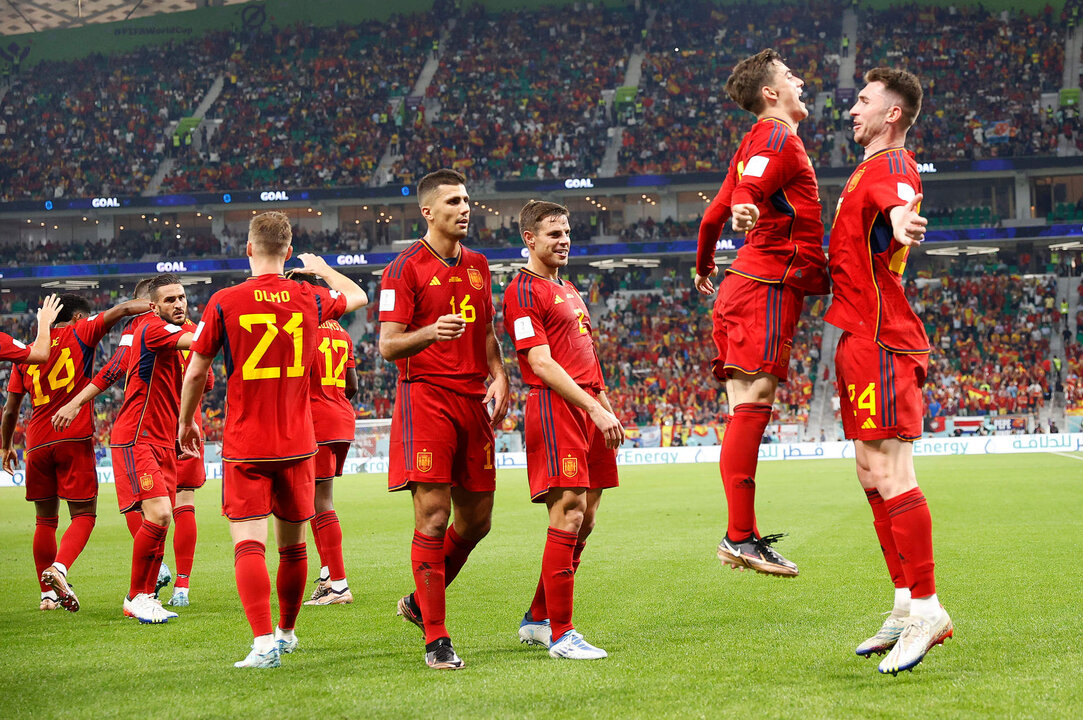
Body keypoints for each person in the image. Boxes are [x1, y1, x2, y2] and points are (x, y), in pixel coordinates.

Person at [177, 211, 367, 669]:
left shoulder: (224, 300)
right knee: (293, 547)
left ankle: (263, 644)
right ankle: (286, 631)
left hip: (247, 442)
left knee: (249, 545)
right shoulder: (308, 296)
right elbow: (358, 295)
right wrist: (320, 269)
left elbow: (198, 369)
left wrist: (186, 422)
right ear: (288, 249)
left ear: (247, 248)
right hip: (301, 442)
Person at [826, 67, 951, 675]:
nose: (853, 108)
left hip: (882, 337)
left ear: (892, 114)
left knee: (892, 470)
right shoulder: (863, 169)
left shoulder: (893, 166)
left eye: (864, 100)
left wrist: (904, 220)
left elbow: (900, 202)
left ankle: (928, 607)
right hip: (859, 335)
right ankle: (904, 604)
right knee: (869, 473)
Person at [694, 49, 829, 577]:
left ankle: (740, 534)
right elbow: (742, 196)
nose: (800, 81)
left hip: (740, 284)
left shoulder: (752, 142)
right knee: (757, 400)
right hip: (766, 283)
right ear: (771, 93)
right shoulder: (775, 136)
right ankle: (740, 536)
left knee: (741, 409)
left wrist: (703, 265)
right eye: (791, 75)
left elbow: (711, 215)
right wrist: (747, 206)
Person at [378, 169, 509, 670]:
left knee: (477, 522)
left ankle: (416, 601)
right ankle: (437, 638)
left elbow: (487, 331)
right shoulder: (403, 269)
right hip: (425, 400)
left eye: (468, 199)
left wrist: (499, 375)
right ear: (428, 212)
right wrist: (431, 331)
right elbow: (388, 345)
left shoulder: (478, 264)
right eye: (454, 201)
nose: (465, 207)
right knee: (433, 518)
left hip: (472, 402)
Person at [502, 200, 623, 660]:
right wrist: (593, 408)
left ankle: (537, 618)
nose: (564, 240)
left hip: (590, 407)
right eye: (554, 233)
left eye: (567, 232)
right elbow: (539, 361)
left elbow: (585, 354)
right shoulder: (522, 290)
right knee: (568, 513)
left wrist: (606, 405)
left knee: (586, 518)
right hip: (556, 408)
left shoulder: (569, 289)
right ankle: (562, 634)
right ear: (530, 239)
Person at [2, 293, 148, 612]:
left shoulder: (27, 353)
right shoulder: (81, 330)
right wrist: (153, 306)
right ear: (80, 318)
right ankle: (60, 569)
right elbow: (122, 310)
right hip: (72, 434)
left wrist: (5, 445)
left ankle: (47, 596)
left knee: (45, 520)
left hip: (36, 443)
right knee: (83, 515)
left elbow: (11, 410)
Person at [53, 279, 175, 599]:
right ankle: (143, 593)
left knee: (156, 510)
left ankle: (144, 591)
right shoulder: (143, 327)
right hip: (145, 432)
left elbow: (114, 369)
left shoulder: (144, 327)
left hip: (159, 431)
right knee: (156, 510)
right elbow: (114, 368)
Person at [101, 274, 196, 625]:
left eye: (182, 298)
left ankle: (146, 595)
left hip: (163, 439)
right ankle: (136, 595)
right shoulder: (154, 329)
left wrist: (187, 421)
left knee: (162, 518)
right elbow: (199, 344)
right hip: (138, 436)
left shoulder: (163, 332)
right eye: (170, 299)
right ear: (153, 306)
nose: (179, 304)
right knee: (159, 514)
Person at [287, 270, 359, 607]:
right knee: (318, 502)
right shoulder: (342, 331)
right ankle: (329, 576)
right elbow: (354, 385)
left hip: (314, 421)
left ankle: (339, 585)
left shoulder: (302, 327)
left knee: (319, 503)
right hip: (341, 419)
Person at [169, 310, 214, 607]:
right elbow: (206, 382)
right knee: (184, 502)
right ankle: (181, 586)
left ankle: (151, 579)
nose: (179, 303)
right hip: (189, 427)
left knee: (146, 504)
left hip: (152, 426)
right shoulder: (196, 332)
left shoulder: (145, 328)